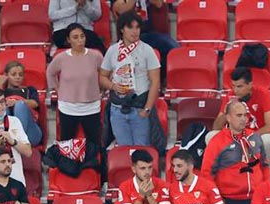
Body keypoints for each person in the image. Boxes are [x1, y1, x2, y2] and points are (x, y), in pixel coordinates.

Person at [201, 100, 269, 204]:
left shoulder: (255, 137)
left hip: (256, 200)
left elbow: (265, 165)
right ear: (228, 118)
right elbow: (207, 174)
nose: (243, 119)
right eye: (239, 115)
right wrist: (217, 200)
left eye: (245, 115)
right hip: (231, 201)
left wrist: (266, 192)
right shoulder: (217, 141)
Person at [99, 11, 161, 146]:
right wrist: (113, 86)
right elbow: (102, 77)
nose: (135, 31)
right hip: (118, 109)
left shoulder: (147, 50)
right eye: (130, 27)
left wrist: (147, 109)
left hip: (140, 107)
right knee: (124, 150)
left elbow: (155, 81)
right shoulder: (113, 50)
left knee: (141, 150)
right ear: (122, 29)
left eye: (137, 27)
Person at [47, 23, 105, 149]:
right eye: (75, 37)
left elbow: (105, 73)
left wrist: (101, 88)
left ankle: (94, 166)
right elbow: (50, 73)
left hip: (92, 106)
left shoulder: (96, 56)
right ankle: (69, 167)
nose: (80, 40)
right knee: (68, 144)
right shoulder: (61, 58)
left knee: (94, 144)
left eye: (82, 36)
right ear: (68, 40)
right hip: (68, 107)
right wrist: (58, 89)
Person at [210, 68, 270, 161]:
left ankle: (267, 172)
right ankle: (222, 171)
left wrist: (247, 136)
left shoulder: (263, 94)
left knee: (267, 140)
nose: (235, 90)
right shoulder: (230, 96)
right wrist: (227, 110)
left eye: (239, 86)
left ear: (250, 85)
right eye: (233, 86)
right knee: (211, 136)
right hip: (236, 134)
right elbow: (216, 127)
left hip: (261, 133)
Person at [111, 0, 179, 64]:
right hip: (131, 37)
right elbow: (121, 10)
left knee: (173, 49)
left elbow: (159, 4)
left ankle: (163, 75)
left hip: (153, 35)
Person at [0, 61, 43, 146]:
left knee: (20, 106)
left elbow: (35, 103)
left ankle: (15, 140)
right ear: (6, 75)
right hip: (7, 133)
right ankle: (9, 140)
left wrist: (16, 101)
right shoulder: (1, 92)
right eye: (13, 74)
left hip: (31, 134)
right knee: (2, 107)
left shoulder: (30, 90)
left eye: (20, 75)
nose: (17, 77)